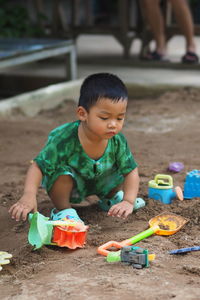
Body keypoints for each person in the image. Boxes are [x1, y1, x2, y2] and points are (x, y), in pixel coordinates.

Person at [9, 73, 142, 224]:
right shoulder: (64, 138)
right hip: (72, 186)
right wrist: (29, 195)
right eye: (104, 118)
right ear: (83, 114)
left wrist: (128, 201)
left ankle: (111, 198)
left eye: (119, 118)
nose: (113, 124)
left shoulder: (117, 141)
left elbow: (131, 170)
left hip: (101, 182)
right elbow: (38, 165)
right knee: (62, 173)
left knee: (120, 167)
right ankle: (64, 211)